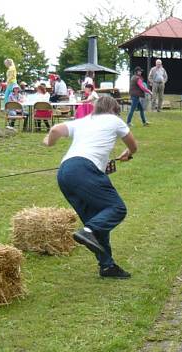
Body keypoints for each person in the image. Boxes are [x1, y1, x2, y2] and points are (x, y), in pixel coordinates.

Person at [43, 95, 138, 279]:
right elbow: (133, 145)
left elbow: (55, 129)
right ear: (113, 110)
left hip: (65, 173)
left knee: (97, 220)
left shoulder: (82, 122)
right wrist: (129, 153)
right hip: (84, 169)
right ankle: (88, 231)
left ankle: (107, 266)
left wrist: (49, 142)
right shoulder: (114, 120)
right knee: (116, 209)